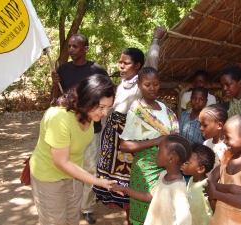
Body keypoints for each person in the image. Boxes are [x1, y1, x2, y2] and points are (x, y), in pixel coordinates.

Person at [93, 28, 167, 220]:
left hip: (127, 136)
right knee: (112, 179)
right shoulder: (122, 83)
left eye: (126, 63)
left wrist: (155, 39)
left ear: (138, 66)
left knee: (128, 180)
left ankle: (132, 216)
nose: (122, 66)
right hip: (113, 137)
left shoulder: (139, 83)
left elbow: (152, 61)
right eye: (120, 62)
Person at [30, 75, 117, 225]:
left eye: (108, 107)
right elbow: (61, 162)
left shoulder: (88, 114)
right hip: (49, 176)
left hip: (74, 176)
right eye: (101, 107)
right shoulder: (59, 117)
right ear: (86, 100)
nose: (105, 113)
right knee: (54, 221)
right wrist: (98, 181)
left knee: (72, 219)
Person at [51, 34, 109, 224]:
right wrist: (54, 84)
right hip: (68, 129)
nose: (72, 50)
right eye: (70, 46)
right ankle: (71, 204)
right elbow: (55, 100)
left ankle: (86, 207)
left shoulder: (97, 70)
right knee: (68, 165)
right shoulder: (63, 70)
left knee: (90, 167)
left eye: (76, 46)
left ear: (86, 48)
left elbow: (106, 94)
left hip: (92, 129)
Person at [117, 67, 179, 225]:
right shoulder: (136, 111)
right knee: (141, 211)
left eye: (156, 84)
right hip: (144, 169)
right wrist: (155, 141)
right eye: (147, 85)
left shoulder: (165, 109)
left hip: (167, 166)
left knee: (162, 211)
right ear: (139, 85)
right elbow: (124, 145)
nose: (152, 88)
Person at [112, 134, 192, 225]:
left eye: (160, 151)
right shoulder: (164, 175)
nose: (156, 154)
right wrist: (124, 189)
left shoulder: (178, 189)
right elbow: (150, 196)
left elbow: (185, 219)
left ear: (171, 159)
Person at [181, 143, 215, 225]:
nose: (183, 163)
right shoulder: (191, 179)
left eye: (187, 162)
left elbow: (214, 210)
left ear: (200, 169)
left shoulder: (207, 186)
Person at [199, 104, 228, 169]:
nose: (201, 128)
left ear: (219, 125)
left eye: (205, 125)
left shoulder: (226, 147)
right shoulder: (206, 143)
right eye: (200, 124)